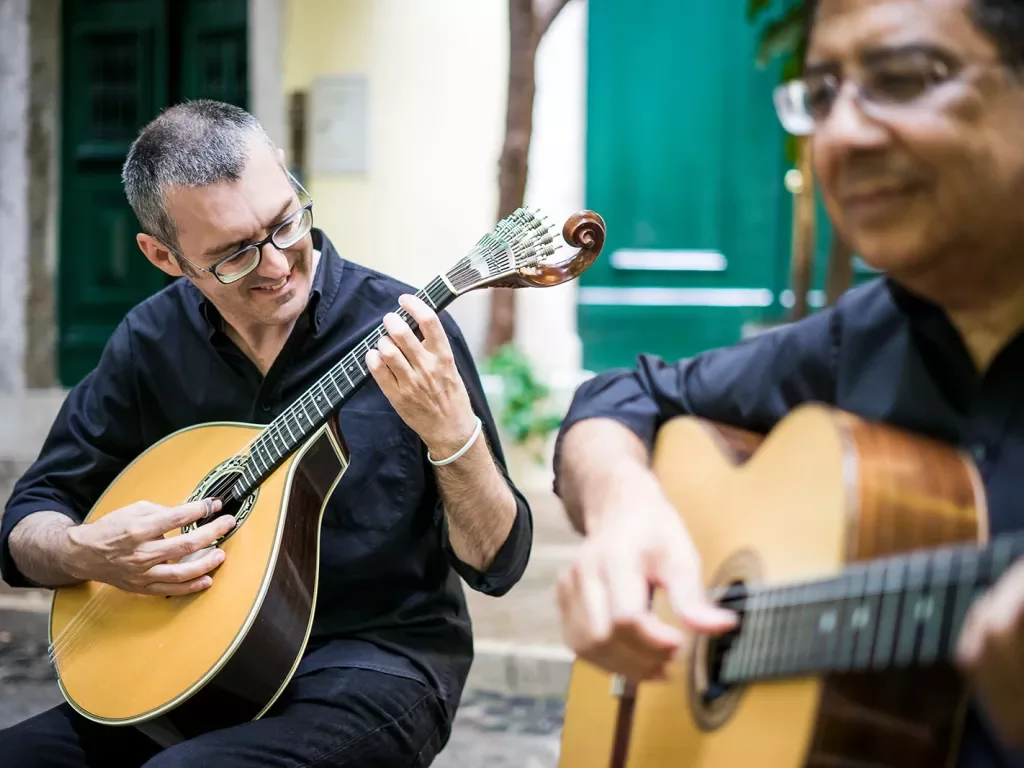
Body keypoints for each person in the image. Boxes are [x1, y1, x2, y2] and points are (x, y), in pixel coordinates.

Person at [552, 0, 1024, 765]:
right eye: (824, 92)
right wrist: (623, 509)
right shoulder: (869, 330)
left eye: (903, 78)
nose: (840, 134)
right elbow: (624, 395)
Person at [0, 100, 533, 767]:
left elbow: (498, 563)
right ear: (163, 255)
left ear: (287, 177)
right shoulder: (148, 343)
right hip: (188, 668)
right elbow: (25, 525)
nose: (277, 264)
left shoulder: (408, 332)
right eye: (232, 256)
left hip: (378, 666)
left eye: (285, 224)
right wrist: (82, 551)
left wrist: (455, 437)